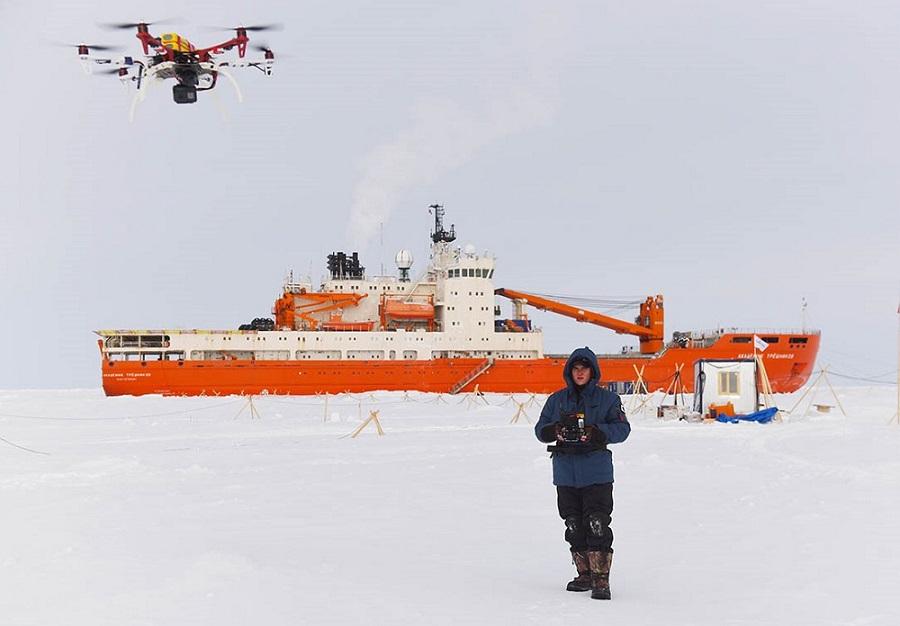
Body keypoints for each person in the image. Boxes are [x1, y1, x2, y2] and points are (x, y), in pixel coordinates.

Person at [534, 346, 631, 600]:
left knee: (597, 523)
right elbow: (539, 428)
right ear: (569, 371)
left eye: (584, 368)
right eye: (575, 368)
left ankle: (601, 579)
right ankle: (584, 574)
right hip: (566, 472)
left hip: (596, 471)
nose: (579, 373)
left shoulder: (608, 400)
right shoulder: (557, 400)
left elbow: (622, 429)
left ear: (592, 371)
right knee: (573, 523)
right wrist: (553, 431)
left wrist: (597, 432)